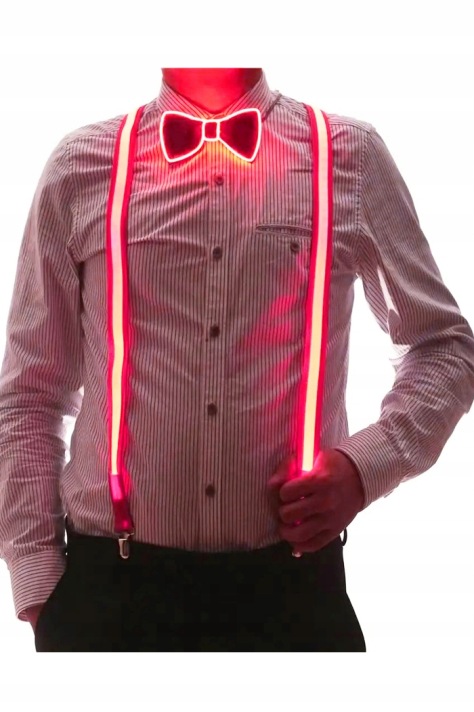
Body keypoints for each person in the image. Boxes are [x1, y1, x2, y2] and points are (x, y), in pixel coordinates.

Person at [1, 67, 473, 652]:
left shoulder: (347, 156)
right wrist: (40, 586)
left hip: (293, 595)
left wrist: (362, 468)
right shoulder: (80, 166)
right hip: (107, 596)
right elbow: (31, 391)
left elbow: (443, 347)